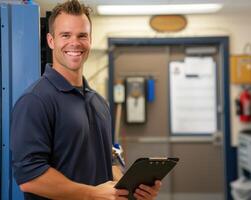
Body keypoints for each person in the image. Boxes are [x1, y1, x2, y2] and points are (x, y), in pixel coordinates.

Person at [10, 0, 162, 199]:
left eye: (82, 35)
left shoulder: (99, 102)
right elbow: (30, 178)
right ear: (51, 41)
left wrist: (131, 190)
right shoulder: (35, 100)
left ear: (90, 40)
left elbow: (108, 159)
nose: (75, 42)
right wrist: (92, 194)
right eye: (65, 35)